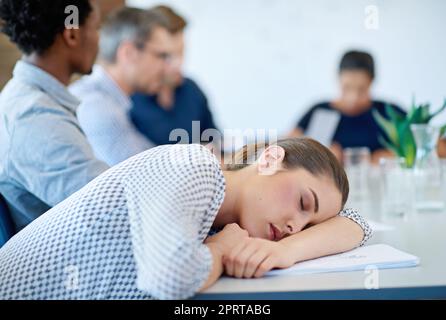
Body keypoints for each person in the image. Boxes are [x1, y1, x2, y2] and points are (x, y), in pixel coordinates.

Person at [0, 137, 371, 299]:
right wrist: (224, 249)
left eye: (308, 225)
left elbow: (358, 223)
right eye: (303, 203)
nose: (294, 226)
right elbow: (170, 277)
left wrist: (285, 252)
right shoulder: (194, 168)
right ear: (270, 160)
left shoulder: (219, 213)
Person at [0, 0, 109, 231]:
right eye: (96, 28)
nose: (99, 39)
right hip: (71, 262)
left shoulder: (28, 99)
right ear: (72, 34)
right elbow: (109, 209)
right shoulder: (35, 118)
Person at [70, 7, 173, 166]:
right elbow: (144, 174)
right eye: (161, 56)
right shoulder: (97, 106)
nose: (168, 68)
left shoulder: (111, 100)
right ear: (128, 53)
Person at [289, 50, 405, 164]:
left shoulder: (389, 112)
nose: (353, 97)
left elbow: (417, 144)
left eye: (361, 89)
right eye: (347, 87)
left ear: (371, 82)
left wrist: (394, 156)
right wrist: (316, 151)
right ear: (338, 79)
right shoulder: (321, 111)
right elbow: (286, 146)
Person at [130, 5, 219, 146]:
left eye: (182, 52)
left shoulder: (191, 90)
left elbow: (215, 142)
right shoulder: (128, 100)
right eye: (167, 56)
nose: (179, 63)